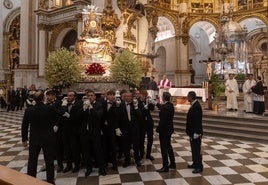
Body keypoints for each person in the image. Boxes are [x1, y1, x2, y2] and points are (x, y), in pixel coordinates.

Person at [21, 91, 60, 184]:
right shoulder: (50, 108)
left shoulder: (29, 110)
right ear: (43, 98)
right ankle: (50, 181)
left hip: (35, 138)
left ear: (34, 99)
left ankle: (31, 181)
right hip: (48, 138)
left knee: (32, 161)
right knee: (49, 161)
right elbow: (59, 115)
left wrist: (24, 139)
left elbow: (24, 126)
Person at [80, 89, 106, 177]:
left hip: (95, 132)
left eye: (92, 95)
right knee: (86, 152)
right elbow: (77, 117)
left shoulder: (99, 105)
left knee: (98, 151)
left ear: (95, 96)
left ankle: (101, 169)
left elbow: (98, 116)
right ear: (86, 97)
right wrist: (84, 109)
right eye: (88, 96)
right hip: (85, 132)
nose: (90, 97)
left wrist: (90, 107)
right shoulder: (83, 104)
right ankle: (88, 168)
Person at [118, 91, 142, 168]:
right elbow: (118, 118)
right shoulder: (120, 105)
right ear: (124, 97)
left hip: (134, 129)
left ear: (131, 97)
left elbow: (140, 116)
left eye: (129, 96)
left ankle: (137, 160)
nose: (128, 97)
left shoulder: (135, 104)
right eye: (126, 96)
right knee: (126, 146)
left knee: (136, 145)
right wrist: (118, 128)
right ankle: (127, 160)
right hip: (125, 129)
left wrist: (136, 107)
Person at [156, 92, 176, 172]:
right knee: (169, 146)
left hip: (164, 130)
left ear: (164, 97)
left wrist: (157, 130)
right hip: (169, 129)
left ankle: (165, 167)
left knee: (164, 148)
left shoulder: (165, 107)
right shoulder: (170, 105)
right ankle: (173, 163)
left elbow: (162, 121)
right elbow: (163, 107)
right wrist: (156, 104)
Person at [186, 91, 203, 174]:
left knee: (197, 150)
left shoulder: (196, 106)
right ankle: (195, 163)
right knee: (193, 149)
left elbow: (197, 121)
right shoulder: (194, 104)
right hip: (192, 132)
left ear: (191, 97)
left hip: (195, 132)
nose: (187, 97)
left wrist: (197, 132)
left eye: (188, 96)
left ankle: (199, 166)